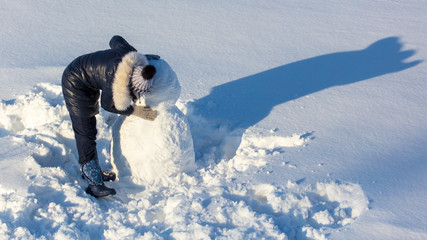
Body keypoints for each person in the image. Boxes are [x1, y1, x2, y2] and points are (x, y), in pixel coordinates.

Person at [62, 35, 159, 198]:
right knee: (86, 132)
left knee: (89, 130)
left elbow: (116, 39)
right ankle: (93, 183)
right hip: (75, 82)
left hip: (89, 74)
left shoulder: (131, 55)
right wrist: (135, 111)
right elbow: (108, 105)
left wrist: (146, 58)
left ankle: (94, 171)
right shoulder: (116, 78)